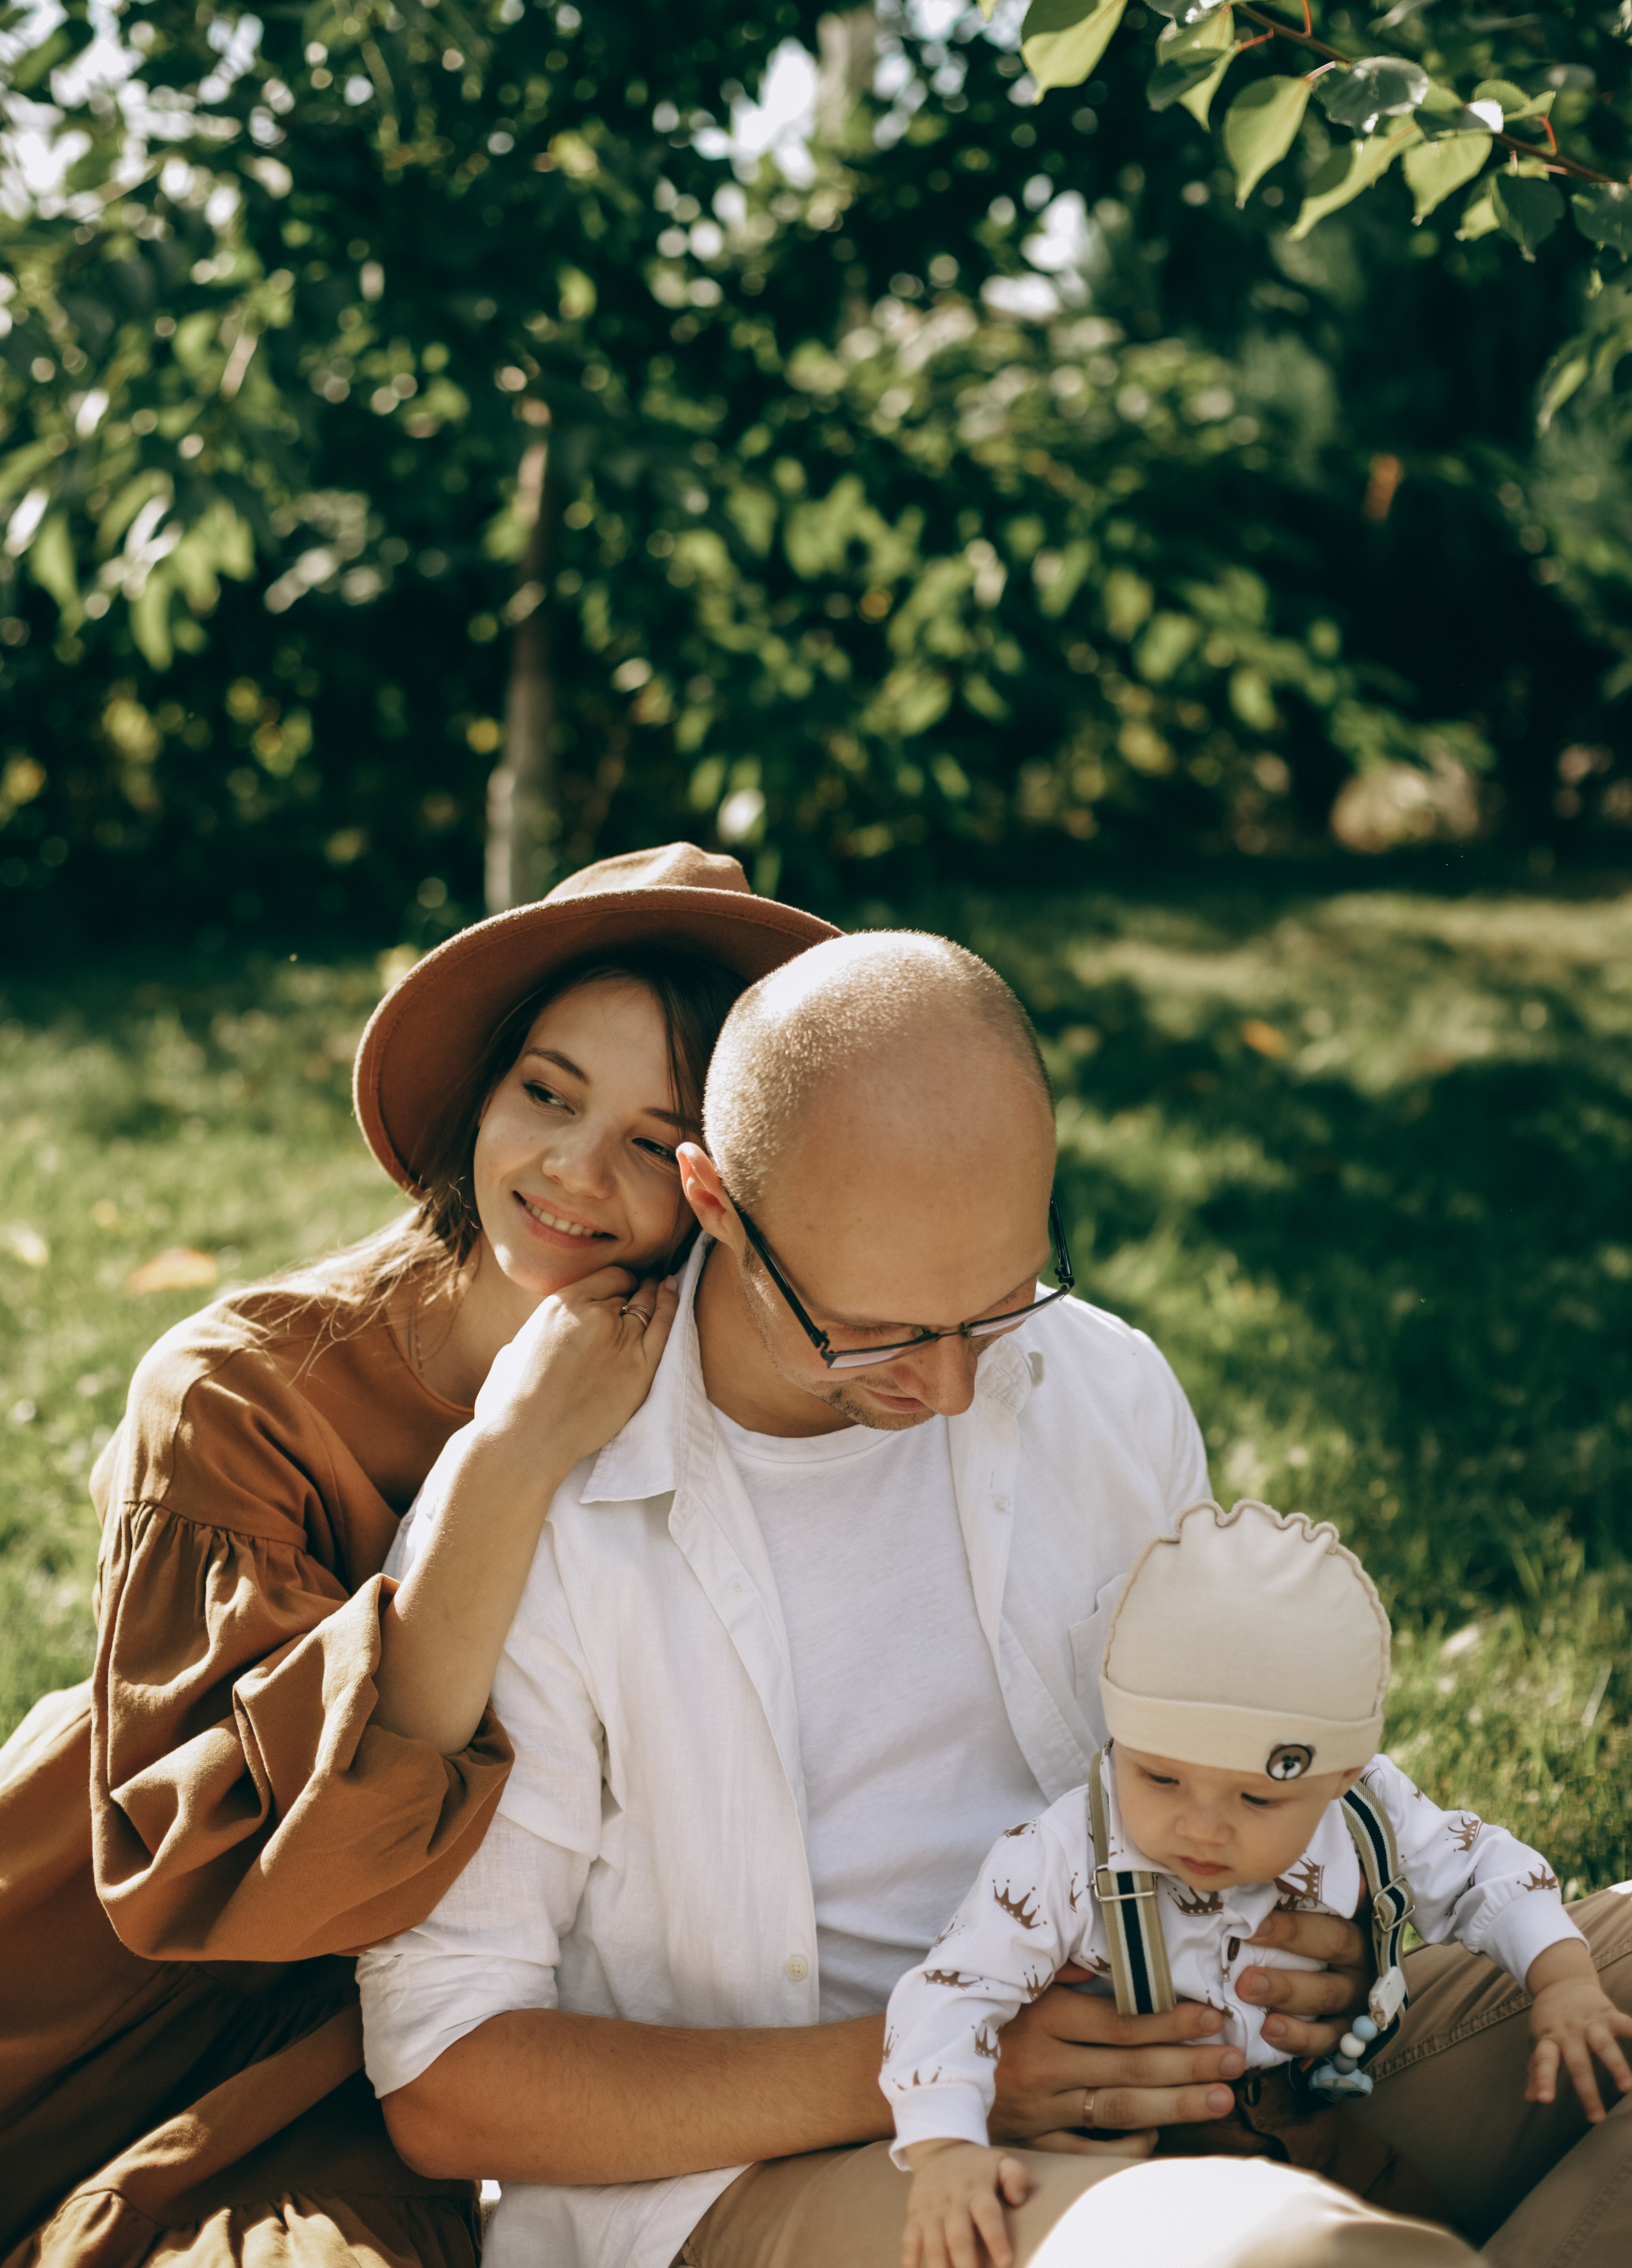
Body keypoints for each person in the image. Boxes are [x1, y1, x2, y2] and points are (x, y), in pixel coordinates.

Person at [356, 930, 1618, 2268]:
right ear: (715, 1206)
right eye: (881, 1332)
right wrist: (962, 2067)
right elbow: (444, 2078)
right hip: (774, 2175)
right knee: (1272, 2255)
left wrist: (1328, 1948)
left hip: (1196, 2076)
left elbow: (1230, 1769)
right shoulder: (540, 1509)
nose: (951, 1390)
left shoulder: (1101, 1385)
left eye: (996, 1303)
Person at [0, 844, 835, 2268]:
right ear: (483, 1091)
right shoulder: (235, 1395)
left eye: (652, 1139)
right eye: (546, 1095)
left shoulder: (745, 1400)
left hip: (396, 2071)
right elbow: (244, 1890)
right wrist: (505, 1465)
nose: (570, 1172)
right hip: (123, 1980)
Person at [884, 1499, 1632, 2268]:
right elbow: (953, 1991)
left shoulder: (1364, 1810)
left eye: (1255, 1799)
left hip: (1314, 2124)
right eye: (1161, 1777)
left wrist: (1563, 1978)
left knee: (1424, 2233)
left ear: (1341, 1775)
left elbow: (1480, 1868)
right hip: (1133, 2167)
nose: (1202, 1827)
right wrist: (946, 2148)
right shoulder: (1063, 1859)